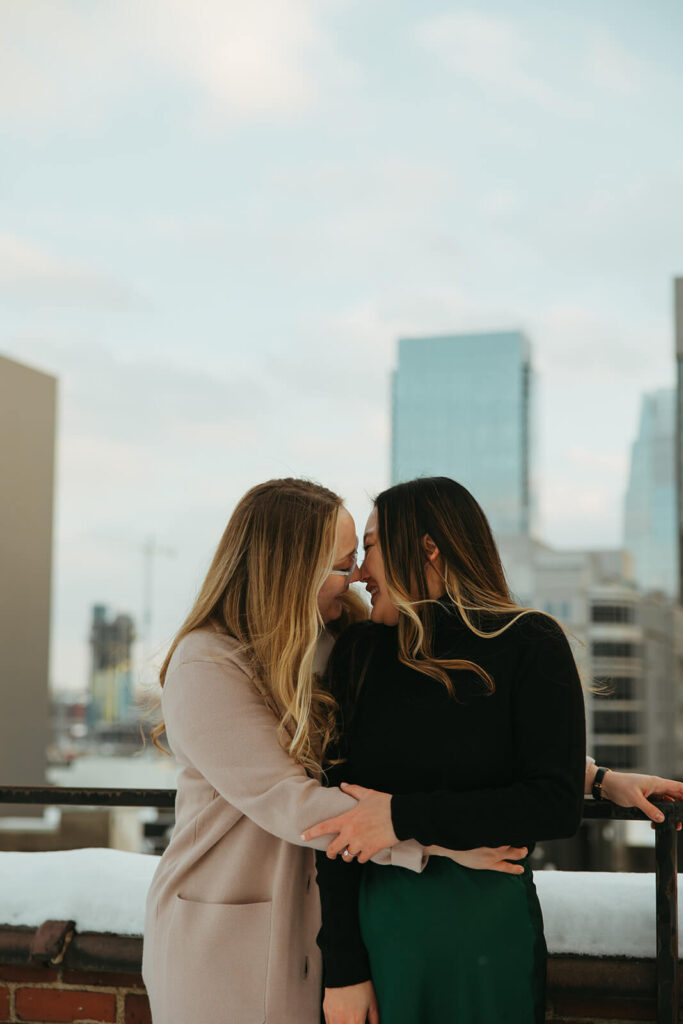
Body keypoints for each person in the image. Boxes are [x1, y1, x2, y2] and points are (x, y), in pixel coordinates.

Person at [142, 477, 467, 1024]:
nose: (358, 578)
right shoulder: (207, 665)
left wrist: (588, 778)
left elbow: (443, 734)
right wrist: (443, 839)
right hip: (221, 948)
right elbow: (291, 803)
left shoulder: (345, 643)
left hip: (328, 937)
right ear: (293, 570)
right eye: (343, 565)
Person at [302, 476, 584, 1023]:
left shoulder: (530, 643)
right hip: (380, 929)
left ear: (428, 547)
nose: (359, 574)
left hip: (489, 933)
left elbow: (554, 801)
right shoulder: (359, 654)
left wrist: (402, 816)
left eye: (372, 548)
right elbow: (334, 824)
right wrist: (343, 968)